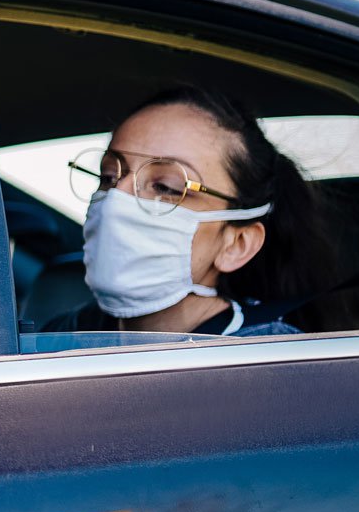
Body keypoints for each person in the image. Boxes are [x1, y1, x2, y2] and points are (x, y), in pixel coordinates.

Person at [48, 85, 334, 337]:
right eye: (109, 176)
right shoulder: (63, 334)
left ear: (237, 244)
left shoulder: (270, 363)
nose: (115, 199)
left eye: (167, 187)